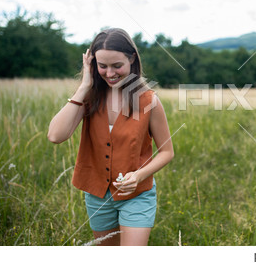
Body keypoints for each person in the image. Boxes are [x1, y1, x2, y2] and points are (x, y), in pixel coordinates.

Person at [47, 28, 174, 246]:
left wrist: (139, 175)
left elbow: (167, 152)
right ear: (92, 64)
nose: (109, 73)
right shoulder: (89, 97)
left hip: (137, 196)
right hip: (97, 196)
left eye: (117, 66)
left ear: (132, 59)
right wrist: (84, 85)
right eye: (102, 66)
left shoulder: (148, 101)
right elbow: (56, 136)